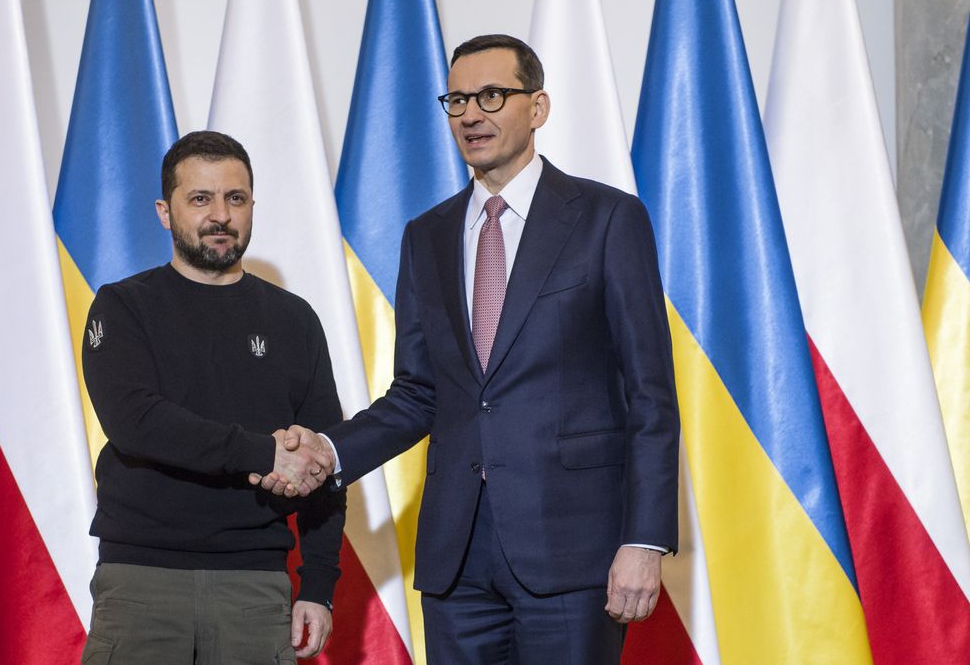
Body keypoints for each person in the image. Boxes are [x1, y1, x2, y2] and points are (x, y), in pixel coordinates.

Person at [257, 34, 679, 663]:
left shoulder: (608, 218)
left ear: (537, 107)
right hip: (457, 564)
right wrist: (328, 450)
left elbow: (650, 394)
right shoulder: (425, 236)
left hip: (573, 553)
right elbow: (419, 393)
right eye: (457, 100)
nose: (471, 114)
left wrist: (645, 538)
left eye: (491, 95)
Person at [80, 130, 345, 664]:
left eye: (235, 198)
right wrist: (263, 453)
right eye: (200, 199)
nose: (220, 215)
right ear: (164, 210)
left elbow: (324, 460)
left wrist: (317, 585)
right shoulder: (122, 307)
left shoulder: (294, 320)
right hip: (140, 584)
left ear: (251, 206)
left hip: (257, 588)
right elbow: (137, 422)